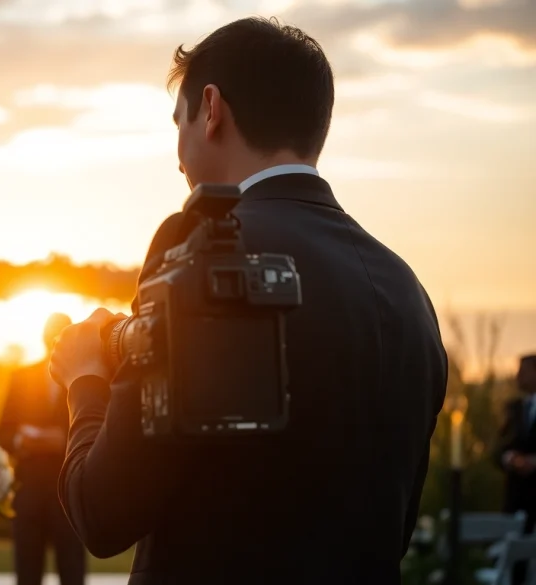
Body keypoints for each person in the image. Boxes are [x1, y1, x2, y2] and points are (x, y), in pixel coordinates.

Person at [50, 17, 447, 584]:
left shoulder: (197, 251)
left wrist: (85, 378)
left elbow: (103, 512)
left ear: (211, 109)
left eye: (179, 123)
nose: (178, 157)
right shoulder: (405, 286)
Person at [0, 313, 86, 585]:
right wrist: (21, 441)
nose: (54, 338)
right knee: (27, 574)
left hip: (69, 498)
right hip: (29, 495)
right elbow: (2, 432)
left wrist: (64, 441)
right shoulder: (21, 377)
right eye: (51, 332)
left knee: (72, 573)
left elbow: (96, 430)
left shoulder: (83, 381)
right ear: (43, 337)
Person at [496, 355, 536, 525]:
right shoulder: (513, 408)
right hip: (514, 506)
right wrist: (510, 458)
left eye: (523, 371)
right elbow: (497, 449)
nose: (517, 376)